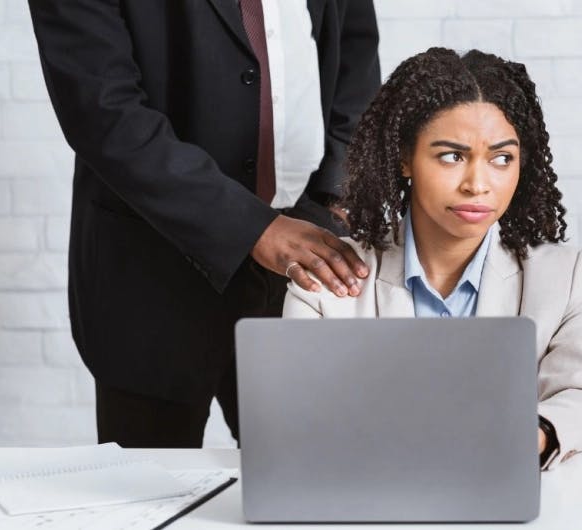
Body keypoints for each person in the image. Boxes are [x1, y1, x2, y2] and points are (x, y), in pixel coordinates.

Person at [27, 0, 379, 447]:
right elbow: (103, 112)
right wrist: (252, 227)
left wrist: (340, 192)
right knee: (151, 498)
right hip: (152, 267)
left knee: (312, 482)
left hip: (308, 248)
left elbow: (355, 50)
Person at [283, 47, 582, 470]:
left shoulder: (565, 276)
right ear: (406, 158)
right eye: (452, 156)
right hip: (371, 492)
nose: (478, 184)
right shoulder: (330, 277)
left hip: (505, 490)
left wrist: (528, 436)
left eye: (501, 159)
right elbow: (300, 410)